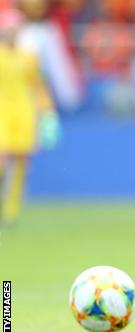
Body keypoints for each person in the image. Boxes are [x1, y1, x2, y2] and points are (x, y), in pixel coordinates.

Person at [0, 8, 61, 227]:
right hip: (2, 115)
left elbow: (38, 87)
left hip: (24, 115)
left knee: (20, 164)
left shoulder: (29, 58)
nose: (12, 33)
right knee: (2, 161)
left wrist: (48, 113)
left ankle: (11, 213)